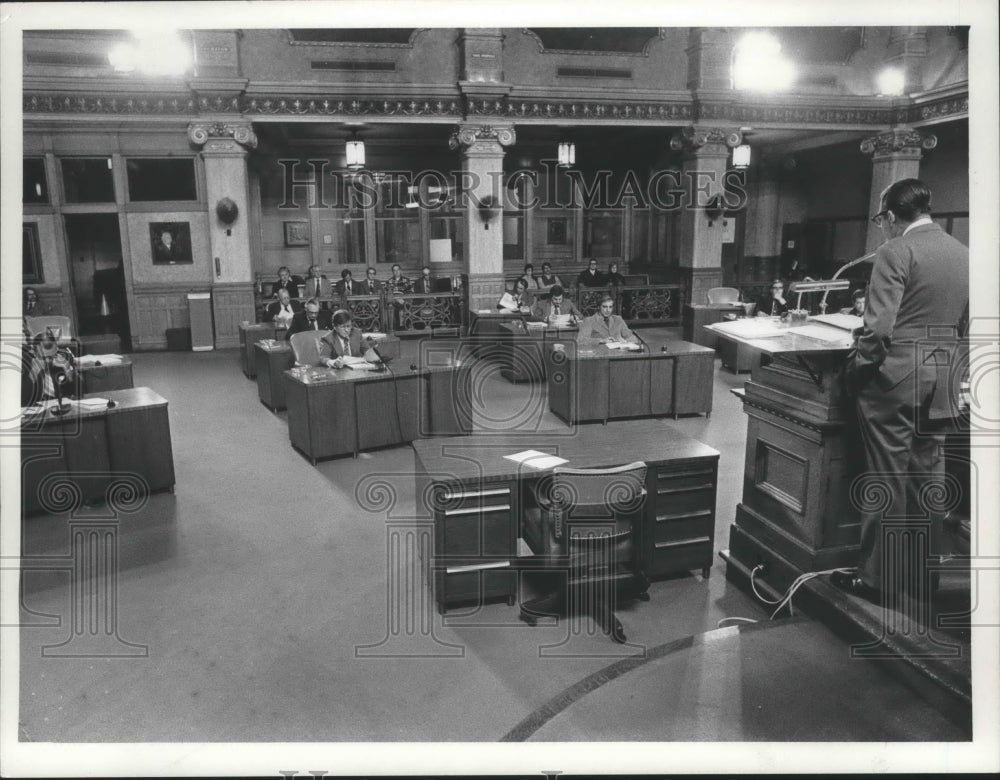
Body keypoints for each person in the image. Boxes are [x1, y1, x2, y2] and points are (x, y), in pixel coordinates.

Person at [831, 179, 969, 606]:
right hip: (941, 377)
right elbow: (969, 325)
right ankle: (924, 574)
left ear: (891, 216)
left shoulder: (896, 250)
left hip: (896, 381)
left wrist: (857, 371)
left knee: (886, 478)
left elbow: (878, 329)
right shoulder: (964, 253)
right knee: (928, 478)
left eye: (882, 219)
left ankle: (878, 580)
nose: (883, 227)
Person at [21, 332, 79, 407]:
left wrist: (69, 373)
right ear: (35, 352)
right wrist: (33, 374)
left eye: (52, 356)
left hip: (60, 408)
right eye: (44, 357)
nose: (49, 361)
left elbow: (80, 392)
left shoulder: (63, 359)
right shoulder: (25, 365)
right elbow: (22, 398)